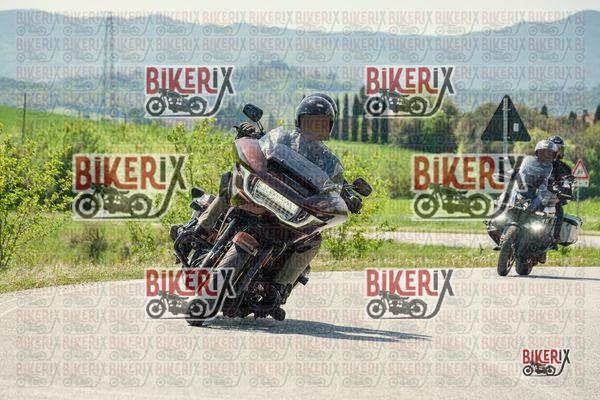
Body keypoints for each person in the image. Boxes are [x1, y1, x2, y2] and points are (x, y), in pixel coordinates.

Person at [195, 93, 342, 237]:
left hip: (293, 203)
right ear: (299, 121)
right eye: (310, 121)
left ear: (328, 127)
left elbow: (333, 183)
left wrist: (346, 193)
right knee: (232, 181)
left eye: (321, 123)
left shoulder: (328, 161)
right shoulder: (285, 137)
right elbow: (265, 145)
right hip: (267, 187)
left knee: (312, 238)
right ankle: (200, 230)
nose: (314, 127)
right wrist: (252, 135)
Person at [548, 135, 572, 243]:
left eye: (560, 148)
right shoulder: (537, 162)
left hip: (551, 196)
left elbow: (567, 183)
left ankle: (555, 237)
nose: (558, 151)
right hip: (535, 193)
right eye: (555, 148)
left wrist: (563, 191)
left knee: (558, 210)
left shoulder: (565, 168)